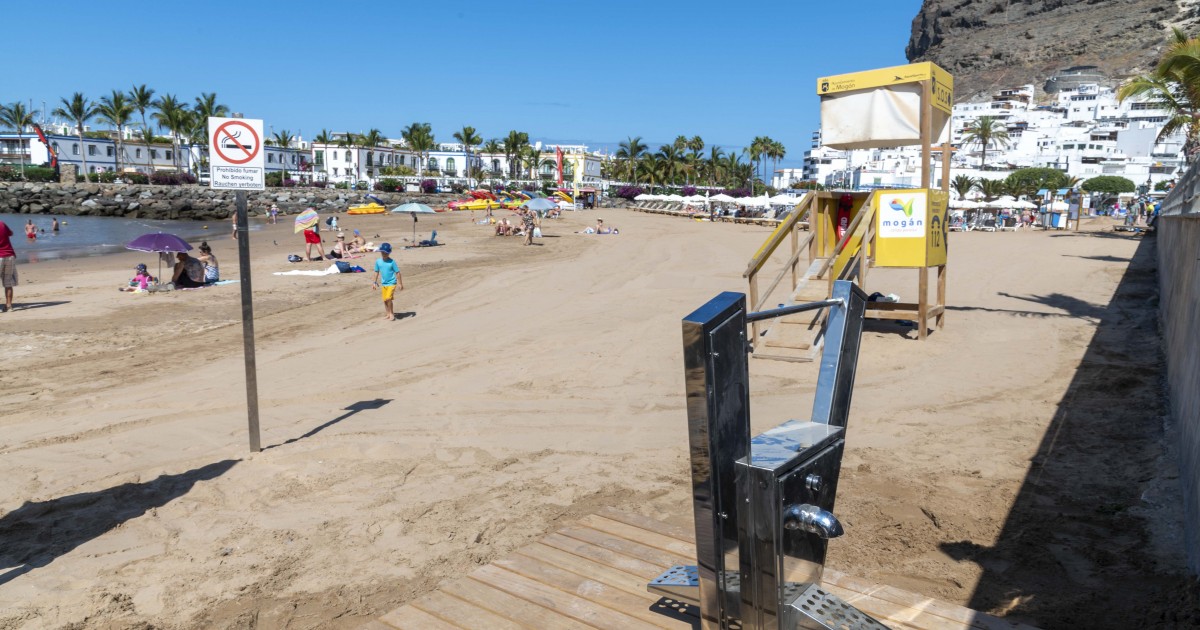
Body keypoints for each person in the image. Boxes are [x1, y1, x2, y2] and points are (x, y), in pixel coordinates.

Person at [372, 242, 403, 321]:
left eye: (386, 253)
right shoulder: (378, 262)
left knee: (388, 298)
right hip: (384, 283)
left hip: (392, 283)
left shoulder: (392, 262)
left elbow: (398, 272)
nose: (384, 254)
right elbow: (376, 272)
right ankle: (388, 313)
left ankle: (391, 313)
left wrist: (400, 283)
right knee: (385, 300)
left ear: (389, 253)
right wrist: (374, 282)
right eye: (383, 252)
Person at [0, 219, 15, 312]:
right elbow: (11, 233)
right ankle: (9, 305)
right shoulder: (2, 224)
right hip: (9, 255)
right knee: (8, 282)